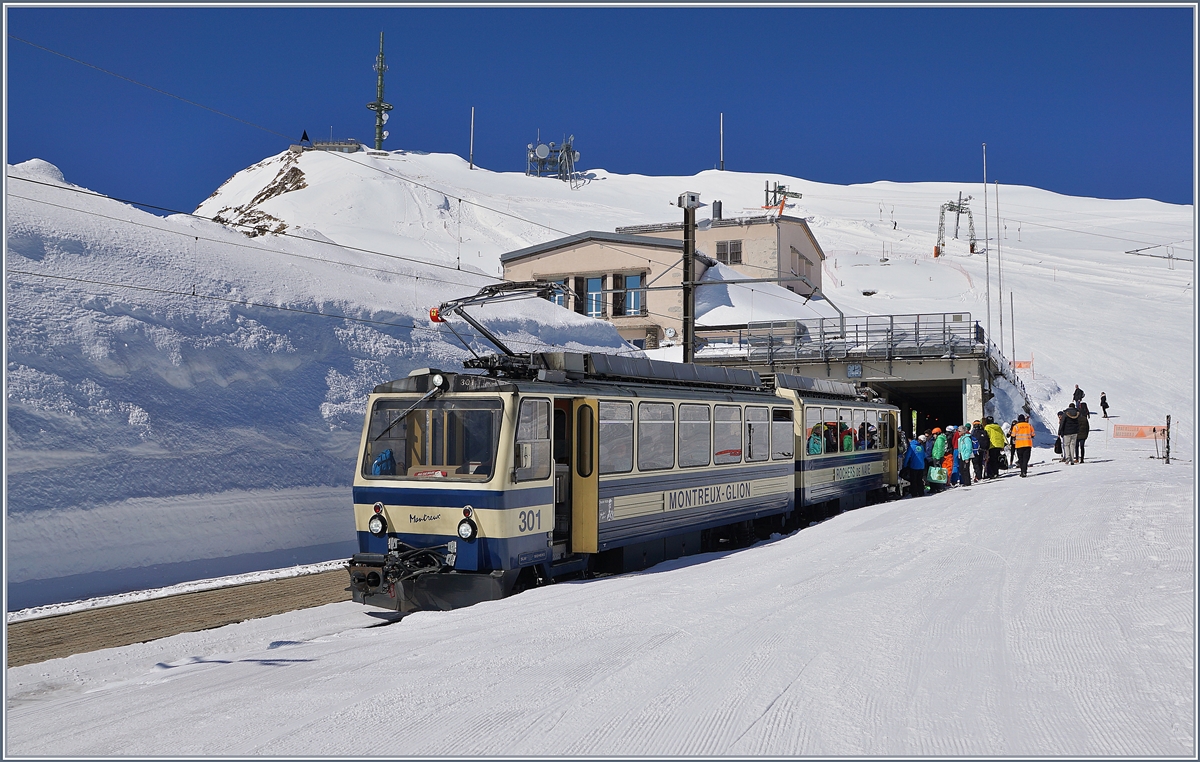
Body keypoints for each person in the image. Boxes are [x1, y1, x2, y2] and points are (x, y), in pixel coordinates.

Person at [929, 428, 948, 493]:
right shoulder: (939, 438)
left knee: (938, 472)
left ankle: (940, 487)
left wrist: (937, 458)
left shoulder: (939, 439)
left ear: (937, 433)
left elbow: (940, 448)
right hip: (937, 456)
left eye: (934, 434)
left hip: (937, 457)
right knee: (938, 471)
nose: (933, 436)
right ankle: (939, 486)